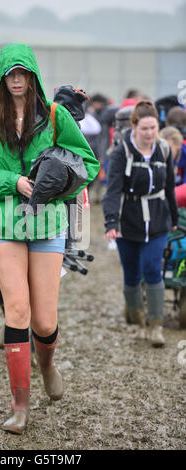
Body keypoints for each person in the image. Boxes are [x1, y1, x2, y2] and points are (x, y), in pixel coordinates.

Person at [0, 43, 99, 434]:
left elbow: (87, 163)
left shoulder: (56, 116)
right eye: (11, 73)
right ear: (2, 77)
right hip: (2, 224)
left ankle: (48, 365)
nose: (18, 80)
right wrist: (13, 181)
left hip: (47, 224)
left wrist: (55, 180)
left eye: (24, 73)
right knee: (17, 312)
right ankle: (20, 406)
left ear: (34, 76)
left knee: (44, 320)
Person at [102, 100, 178, 347]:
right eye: (144, 128)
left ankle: (156, 326)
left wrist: (174, 218)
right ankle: (138, 322)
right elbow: (112, 190)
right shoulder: (122, 152)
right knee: (132, 274)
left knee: (153, 268)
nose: (149, 134)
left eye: (153, 128)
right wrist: (111, 221)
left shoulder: (164, 149)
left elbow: (169, 186)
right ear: (134, 126)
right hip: (129, 219)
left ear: (158, 126)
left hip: (157, 218)